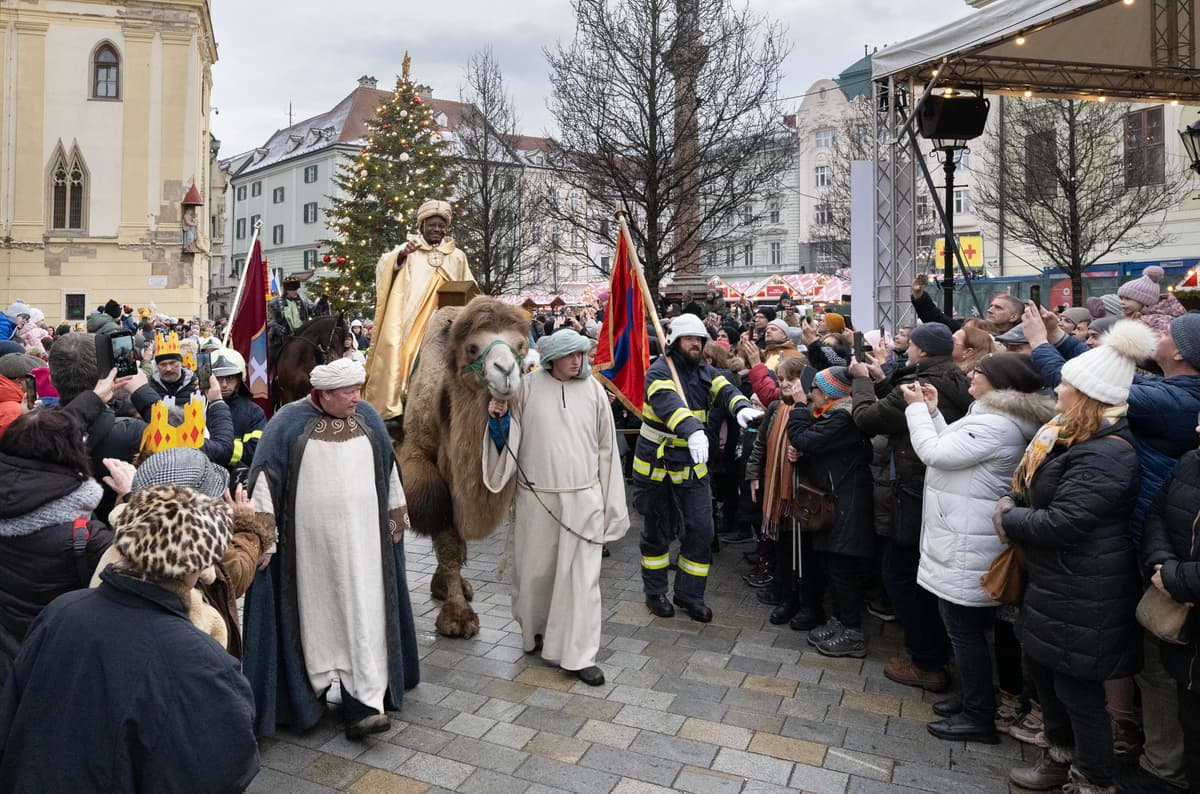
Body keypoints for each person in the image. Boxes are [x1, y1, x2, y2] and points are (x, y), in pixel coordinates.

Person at [0, 484, 260, 792]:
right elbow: (223, 769)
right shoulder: (204, 661)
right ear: (197, 565)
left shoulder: (61, 611)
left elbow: (13, 712)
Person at [999, 321, 1151, 793]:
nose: (1057, 389)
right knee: (1049, 680)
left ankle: (1094, 780)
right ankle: (1058, 757)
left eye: (1065, 384)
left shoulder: (1107, 453)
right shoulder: (1070, 436)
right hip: (1056, 581)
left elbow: (1064, 521)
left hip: (1086, 586)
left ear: (1088, 396)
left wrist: (1010, 517)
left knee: (1078, 693)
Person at [243, 357, 420, 740]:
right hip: (310, 555)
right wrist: (264, 537)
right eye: (347, 392)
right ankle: (308, 698)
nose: (356, 398)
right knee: (316, 620)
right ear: (323, 394)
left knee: (364, 617)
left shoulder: (368, 418)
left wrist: (396, 516)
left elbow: (388, 468)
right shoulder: (287, 423)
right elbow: (264, 481)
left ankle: (363, 701)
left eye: (358, 389)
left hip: (366, 551)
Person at [902, 353, 1054, 744]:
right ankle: (975, 697)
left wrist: (916, 411)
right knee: (963, 628)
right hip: (964, 535)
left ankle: (978, 714)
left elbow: (935, 453)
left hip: (968, 541)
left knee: (963, 630)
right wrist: (933, 413)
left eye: (979, 372)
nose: (970, 374)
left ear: (999, 382)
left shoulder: (996, 424)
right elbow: (951, 447)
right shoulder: (992, 417)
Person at [483, 330, 628, 687]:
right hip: (538, 500)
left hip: (584, 501)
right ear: (551, 359)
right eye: (569, 355)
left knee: (582, 582)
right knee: (536, 576)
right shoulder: (527, 389)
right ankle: (536, 630)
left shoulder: (594, 390)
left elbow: (608, 451)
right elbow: (507, 439)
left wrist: (611, 505)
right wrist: (498, 418)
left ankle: (580, 655)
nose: (577, 361)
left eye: (580, 354)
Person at [849, 321, 972, 693]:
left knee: (900, 574)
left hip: (911, 493)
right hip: (939, 494)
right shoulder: (954, 378)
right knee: (924, 576)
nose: (906, 349)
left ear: (921, 350)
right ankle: (937, 652)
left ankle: (925, 660)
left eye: (911, 344)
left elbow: (866, 419)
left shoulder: (919, 385)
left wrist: (861, 382)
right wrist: (882, 379)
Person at [634, 314, 762, 622]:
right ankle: (655, 592)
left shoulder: (705, 369)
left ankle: (689, 595)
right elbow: (668, 403)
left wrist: (741, 406)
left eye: (699, 339)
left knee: (702, 531)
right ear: (674, 341)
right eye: (689, 338)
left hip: (693, 467)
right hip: (658, 468)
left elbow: (725, 388)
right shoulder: (659, 371)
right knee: (657, 533)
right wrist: (692, 430)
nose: (695, 344)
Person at [0, 409, 113, 685]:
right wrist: (132, 498)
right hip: (59, 665)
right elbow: (142, 568)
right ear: (74, 453)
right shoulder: (85, 537)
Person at [787, 365, 875, 657]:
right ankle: (839, 621)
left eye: (813, 390)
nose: (810, 395)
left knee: (842, 568)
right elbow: (818, 451)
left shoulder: (843, 418)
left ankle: (852, 631)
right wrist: (801, 456)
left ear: (827, 394)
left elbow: (804, 438)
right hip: (836, 501)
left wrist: (798, 408)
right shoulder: (832, 416)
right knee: (832, 565)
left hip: (847, 505)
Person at [363, 199, 475, 421]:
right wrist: (402, 256)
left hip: (448, 318)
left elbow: (469, 285)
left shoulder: (457, 255)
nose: (437, 229)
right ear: (422, 225)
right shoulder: (409, 250)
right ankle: (402, 401)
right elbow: (387, 266)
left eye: (441, 225)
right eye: (432, 225)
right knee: (407, 354)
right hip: (415, 321)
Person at [1141, 418, 1200, 794]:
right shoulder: (1191, 461)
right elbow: (1157, 514)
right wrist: (1162, 563)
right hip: (1184, 628)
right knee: (1190, 727)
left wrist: (1177, 577)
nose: (1197, 428)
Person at [211, 348, 265, 483]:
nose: (224, 385)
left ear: (239, 378)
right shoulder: (197, 407)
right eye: (218, 378)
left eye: (229, 378)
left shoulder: (254, 412)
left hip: (239, 482)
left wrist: (215, 449)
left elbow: (255, 452)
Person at [912, 277, 1023, 334]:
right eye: (991, 306)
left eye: (998, 308)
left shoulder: (1022, 340)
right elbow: (938, 320)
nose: (990, 310)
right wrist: (919, 296)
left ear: (1014, 316)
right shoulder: (973, 328)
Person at [1118, 265, 1185, 337]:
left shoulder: (1158, 322)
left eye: (1127, 299)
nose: (1122, 302)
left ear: (1145, 302)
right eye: (1121, 298)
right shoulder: (1135, 318)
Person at [267, 279, 315, 365]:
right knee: (272, 355)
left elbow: (314, 309)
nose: (295, 292)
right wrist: (279, 329)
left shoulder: (304, 301)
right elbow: (270, 320)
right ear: (287, 291)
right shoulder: (275, 302)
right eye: (292, 290)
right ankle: (270, 371)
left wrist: (320, 303)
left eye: (296, 289)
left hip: (302, 335)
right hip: (283, 337)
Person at [147, 331, 198, 403]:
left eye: (172, 363)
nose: (168, 369)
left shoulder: (195, 385)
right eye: (163, 364)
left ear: (181, 362)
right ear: (157, 366)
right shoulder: (149, 388)